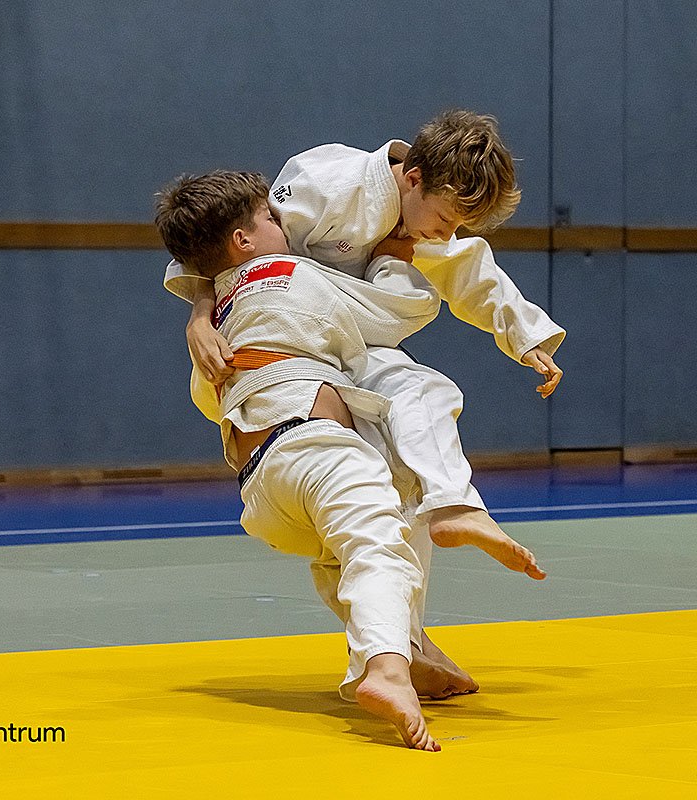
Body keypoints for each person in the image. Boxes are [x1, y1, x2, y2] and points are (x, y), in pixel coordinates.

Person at [154, 170, 545, 751]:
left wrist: (201, 312)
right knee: (378, 540)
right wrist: (391, 257)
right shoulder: (291, 273)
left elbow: (207, 399)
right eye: (269, 217)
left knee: (371, 520)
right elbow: (397, 312)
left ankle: (409, 648)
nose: (282, 221)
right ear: (243, 240)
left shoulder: (216, 322)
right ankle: (385, 668)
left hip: (260, 487)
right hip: (313, 450)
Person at [165, 110, 565, 558]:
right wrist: (200, 316)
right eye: (445, 219)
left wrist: (526, 339)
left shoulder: (422, 215)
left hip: (345, 339)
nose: (445, 234)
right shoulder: (326, 183)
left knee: (422, 395)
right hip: (274, 345)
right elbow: (224, 245)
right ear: (413, 178)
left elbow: (470, 270)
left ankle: (454, 506)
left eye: (457, 226)